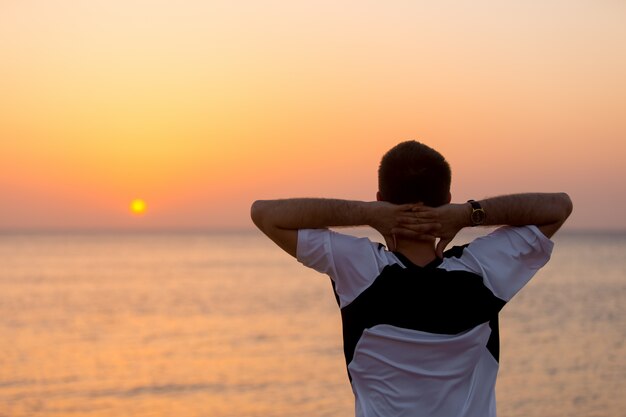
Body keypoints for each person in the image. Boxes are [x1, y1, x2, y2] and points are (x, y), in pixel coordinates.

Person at [250, 140, 572, 417]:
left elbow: (265, 214)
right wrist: (468, 214)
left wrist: (367, 215)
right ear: (447, 198)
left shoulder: (360, 270)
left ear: (380, 199)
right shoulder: (482, 272)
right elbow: (559, 206)